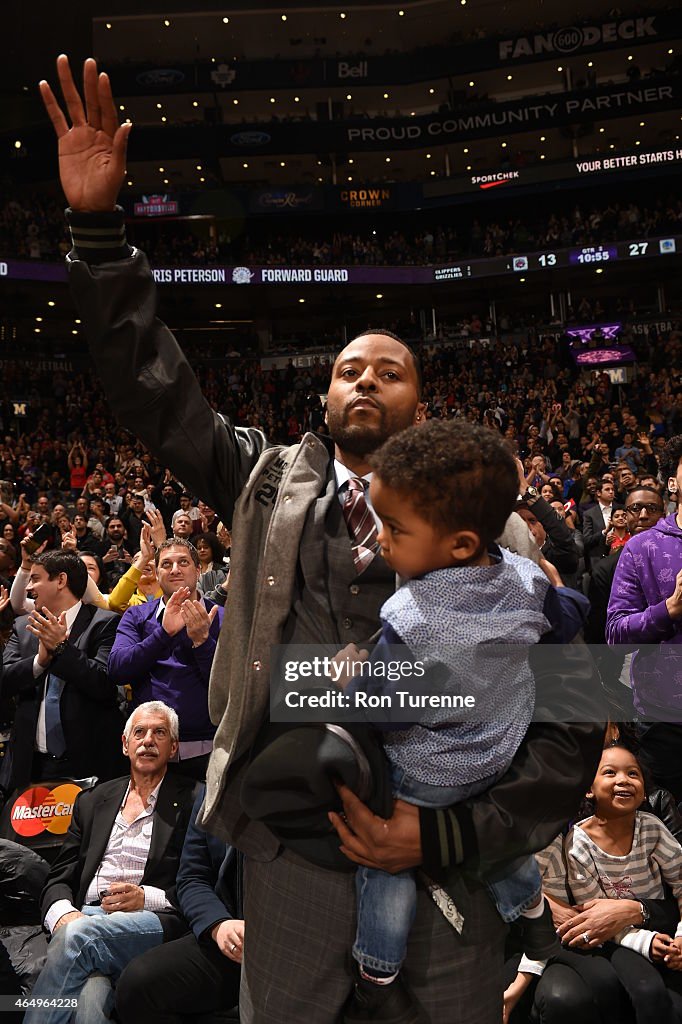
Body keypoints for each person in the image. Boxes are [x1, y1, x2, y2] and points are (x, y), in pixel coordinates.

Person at [41, 55, 604, 1024]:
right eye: (348, 367)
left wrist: (448, 832)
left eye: (389, 368)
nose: (364, 378)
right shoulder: (263, 478)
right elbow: (155, 392)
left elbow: (580, 709)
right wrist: (98, 235)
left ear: (421, 402)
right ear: (323, 394)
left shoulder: (501, 524)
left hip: (445, 847)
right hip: (291, 842)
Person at [336, 421, 562, 1020]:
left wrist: (349, 678)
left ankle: (375, 974)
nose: (380, 539)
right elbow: (560, 610)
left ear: (460, 543)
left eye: (394, 529)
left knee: (387, 862)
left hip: (429, 772)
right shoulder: (524, 575)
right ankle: (536, 921)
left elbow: (377, 708)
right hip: (501, 752)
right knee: (502, 850)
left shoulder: (411, 616)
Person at [25, 701, 196, 1024]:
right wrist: (64, 914)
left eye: (160, 733)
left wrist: (147, 897)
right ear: (125, 744)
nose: (148, 740)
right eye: (140, 732)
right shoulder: (92, 801)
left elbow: (200, 881)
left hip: (153, 920)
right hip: (85, 915)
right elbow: (60, 877)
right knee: (91, 999)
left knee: (80, 937)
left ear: (173, 748)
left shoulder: (192, 800)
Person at [505, 744, 682, 1024]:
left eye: (632, 774)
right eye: (610, 772)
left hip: (649, 929)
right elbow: (588, 919)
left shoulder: (652, 827)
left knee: (652, 995)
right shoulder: (574, 842)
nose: (623, 779)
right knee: (623, 988)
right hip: (606, 938)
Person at [115, 784, 242, 1024]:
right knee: (137, 984)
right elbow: (193, 877)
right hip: (225, 933)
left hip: (287, 937)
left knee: (80, 938)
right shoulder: (213, 788)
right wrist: (219, 925)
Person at [1, 550, 125, 792]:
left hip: (88, 768)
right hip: (31, 767)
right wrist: (39, 661)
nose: (29, 588)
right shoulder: (23, 627)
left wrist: (61, 648)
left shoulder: (105, 623)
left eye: (36, 578)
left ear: (61, 580)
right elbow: (4, 681)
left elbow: (104, 686)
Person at [108, 538, 222, 781]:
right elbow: (117, 669)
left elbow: (230, 686)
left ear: (198, 569)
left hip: (208, 749)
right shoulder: (137, 615)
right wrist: (163, 634)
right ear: (157, 573)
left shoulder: (222, 616)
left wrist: (202, 641)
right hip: (150, 750)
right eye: (166, 564)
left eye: (183, 562)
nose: (175, 569)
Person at [606, 435, 682, 802]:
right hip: (664, 721)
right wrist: (668, 610)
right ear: (673, 482)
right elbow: (616, 634)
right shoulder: (642, 548)